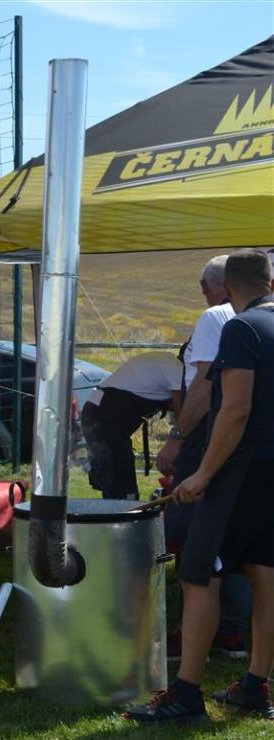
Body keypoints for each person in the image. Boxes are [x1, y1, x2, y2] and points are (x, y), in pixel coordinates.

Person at [127, 249, 274, 724]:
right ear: (271, 283)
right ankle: (255, 685)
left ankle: (187, 695)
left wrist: (203, 474)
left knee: (197, 575)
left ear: (227, 288)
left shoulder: (242, 328)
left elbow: (235, 409)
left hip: (240, 473)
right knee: (265, 574)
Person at [158, 255, 250, 660]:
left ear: (217, 286)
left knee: (197, 539)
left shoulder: (216, 317)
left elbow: (204, 386)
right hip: (244, 444)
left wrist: (177, 438)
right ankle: (232, 631)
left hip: (209, 438)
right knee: (238, 537)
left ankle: (196, 633)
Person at [80, 351, 181, 500]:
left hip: (99, 410)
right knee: (121, 482)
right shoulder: (176, 370)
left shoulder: (166, 365)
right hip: (102, 416)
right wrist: (174, 445)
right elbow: (185, 413)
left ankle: (120, 506)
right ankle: (124, 510)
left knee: (117, 479)